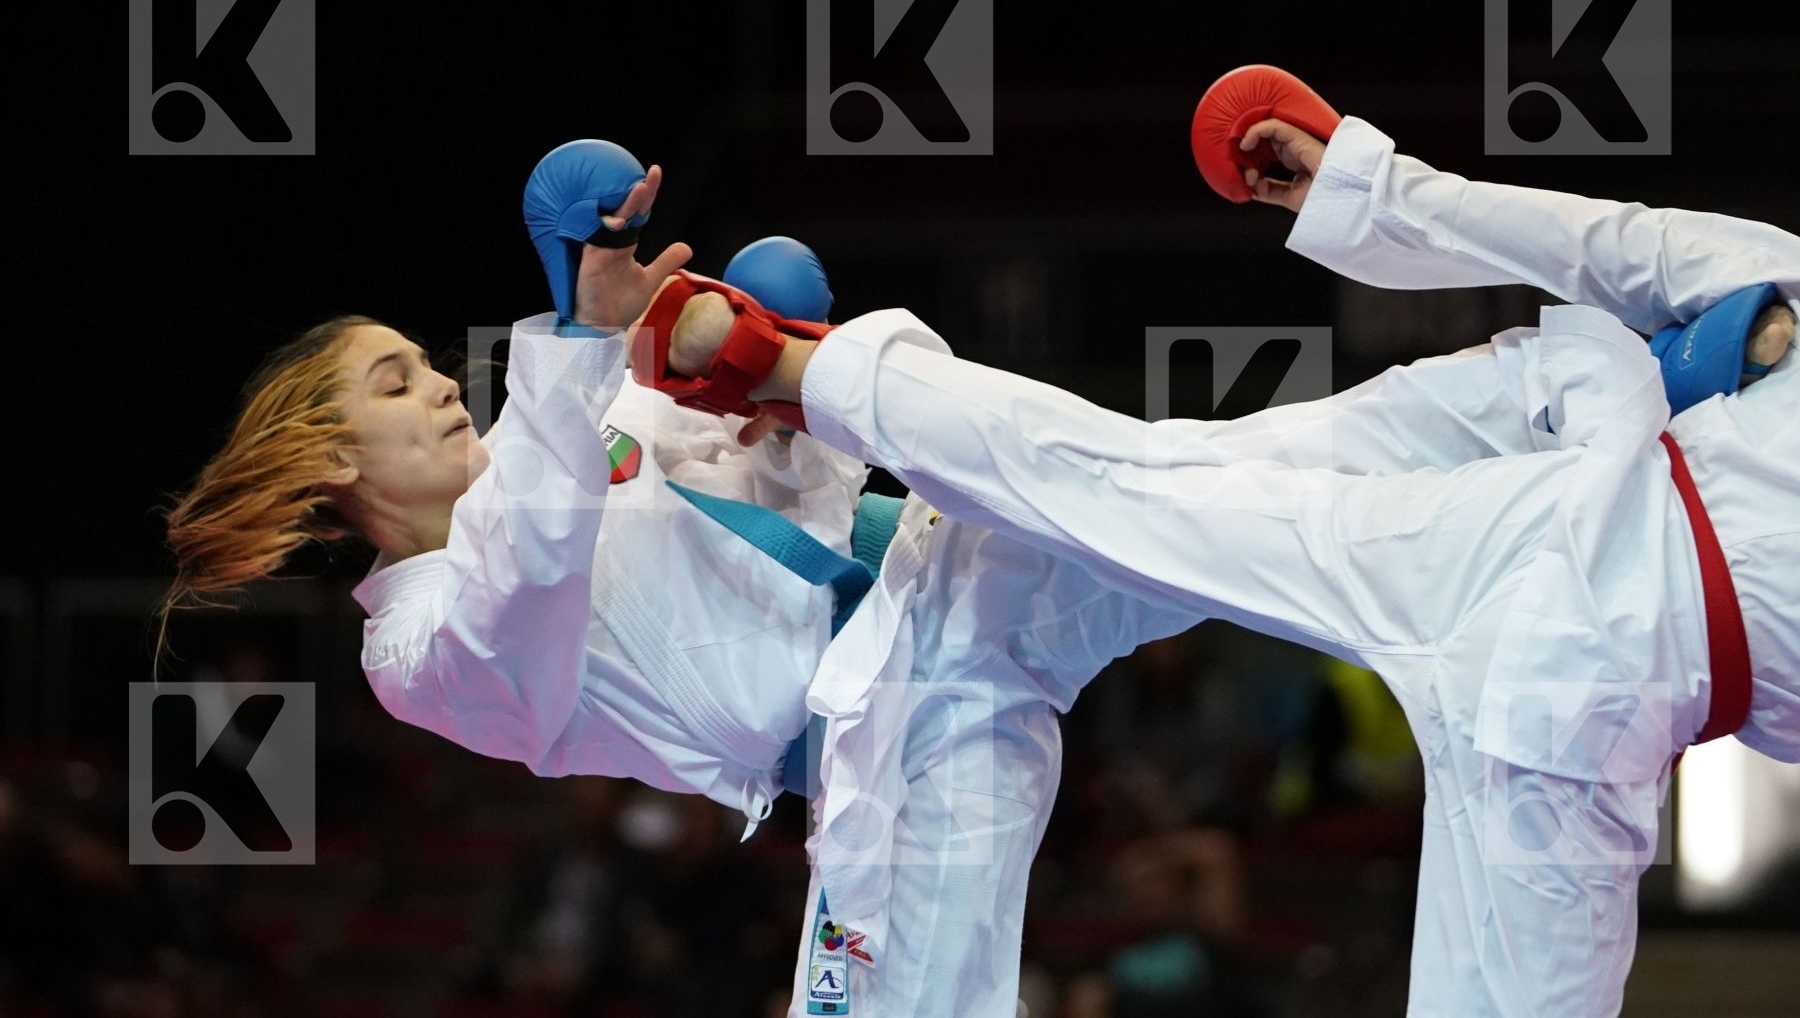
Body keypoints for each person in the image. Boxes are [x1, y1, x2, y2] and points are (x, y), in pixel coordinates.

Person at [642, 72, 1797, 1017]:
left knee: (1151, 489)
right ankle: (800, 366)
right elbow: (1614, 245)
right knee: (1154, 485)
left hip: (1584, 724)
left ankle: (821, 381)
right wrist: (1366, 181)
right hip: (1542, 513)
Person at [161, 141, 1339, 1018]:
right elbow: (533, 567)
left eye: (422, 362)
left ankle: (1474, 451)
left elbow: (797, 469)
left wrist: (758, 378)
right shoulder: (417, 654)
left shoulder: (583, 422)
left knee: (1217, 493)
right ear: (332, 461)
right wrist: (575, 334)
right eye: (393, 383)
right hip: (888, 754)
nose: (437, 384)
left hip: (947, 566)